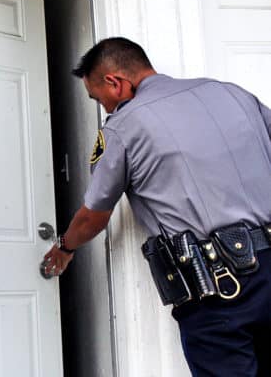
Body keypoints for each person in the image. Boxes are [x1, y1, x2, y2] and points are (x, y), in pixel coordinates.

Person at [42, 37, 271, 376]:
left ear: (115, 82)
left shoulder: (123, 127)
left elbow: (94, 215)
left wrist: (64, 247)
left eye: (97, 98)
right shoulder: (232, 94)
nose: (104, 107)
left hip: (221, 288)